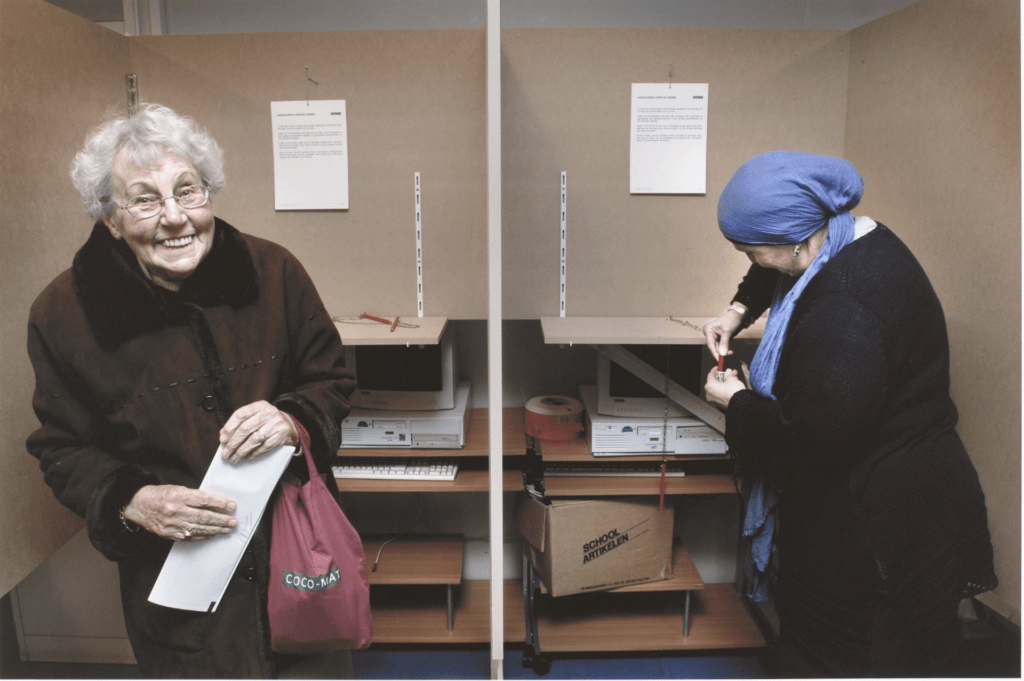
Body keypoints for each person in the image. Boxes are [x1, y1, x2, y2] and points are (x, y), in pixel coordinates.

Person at [26, 104, 357, 678]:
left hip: (296, 554)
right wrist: (133, 502)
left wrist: (292, 420)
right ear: (109, 217)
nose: (175, 217)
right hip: (177, 582)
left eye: (189, 190)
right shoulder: (63, 314)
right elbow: (62, 449)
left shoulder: (274, 271)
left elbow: (329, 379)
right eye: (145, 200)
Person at [701, 151, 997, 677]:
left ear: (795, 238)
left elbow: (811, 441)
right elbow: (773, 270)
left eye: (748, 248)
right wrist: (738, 310)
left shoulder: (844, 310)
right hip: (915, 489)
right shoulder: (853, 237)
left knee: (847, 655)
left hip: (879, 520)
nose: (745, 258)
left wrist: (737, 402)